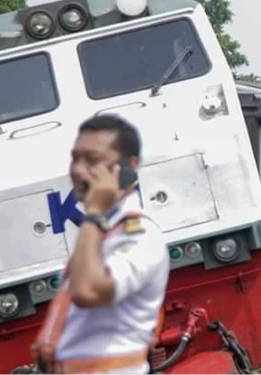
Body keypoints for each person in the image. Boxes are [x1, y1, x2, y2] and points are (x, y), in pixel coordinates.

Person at [31, 114, 170, 375]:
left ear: (129, 167)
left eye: (92, 160)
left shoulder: (141, 235)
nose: (78, 169)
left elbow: (89, 293)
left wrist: (94, 212)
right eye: (75, 158)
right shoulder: (106, 231)